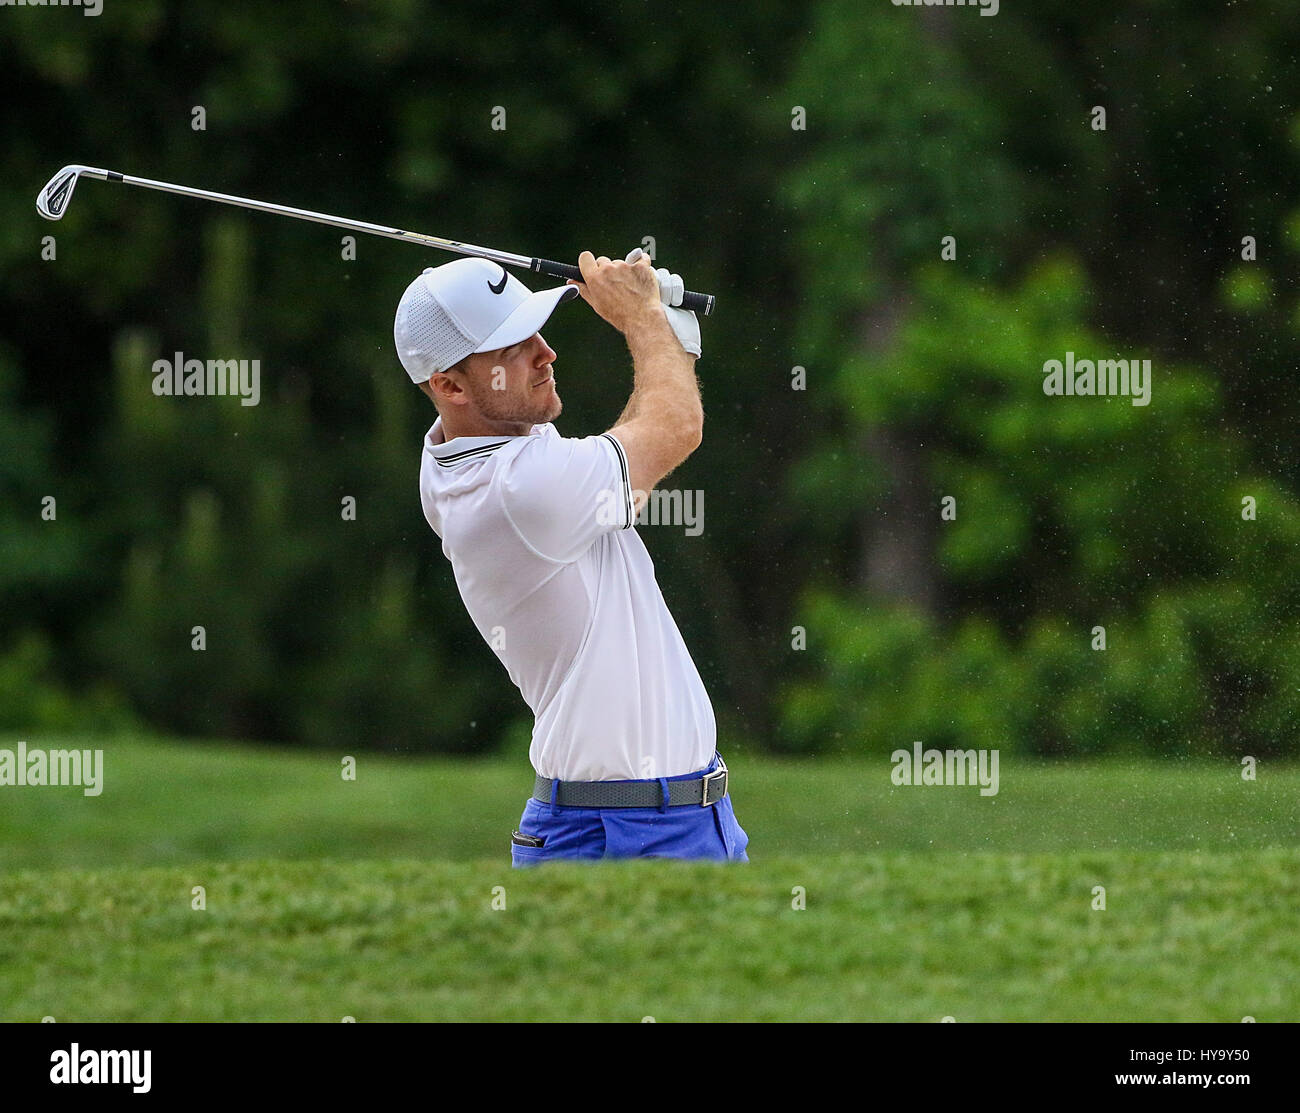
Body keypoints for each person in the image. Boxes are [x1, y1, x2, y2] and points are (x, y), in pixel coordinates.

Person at [395, 248, 748, 867]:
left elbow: (631, 456)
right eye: (511, 350)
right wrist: (644, 324)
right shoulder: (517, 490)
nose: (545, 353)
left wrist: (673, 347)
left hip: (646, 817)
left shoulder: (485, 450)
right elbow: (676, 428)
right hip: (633, 830)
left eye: (535, 330)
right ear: (449, 386)